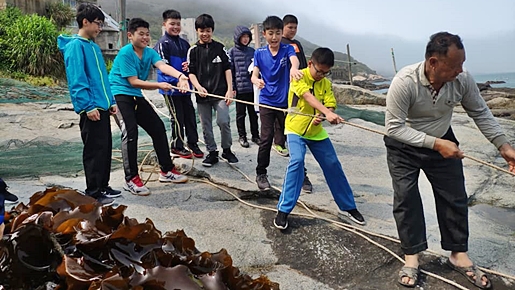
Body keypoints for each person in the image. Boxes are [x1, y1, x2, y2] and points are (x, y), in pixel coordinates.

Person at [385, 32, 515, 289]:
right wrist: (436, 144)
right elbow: (393, 128)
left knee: (454, 196)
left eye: (462, 64)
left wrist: (504, 146)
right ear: (433, 62)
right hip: (404, 145)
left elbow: (480, 111)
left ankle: (458, 254)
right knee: (406, 196)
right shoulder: (404, 82)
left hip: (443, 137)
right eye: (455, 65)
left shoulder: (462, 80)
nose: (461, 70)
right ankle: (412, 256)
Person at [274, 48, 366, 230]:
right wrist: (324, 112)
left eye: (326, 72)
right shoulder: (298, 77)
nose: (322, 75)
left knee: (332, 164)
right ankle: (283, 210)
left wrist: (324, 114)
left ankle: (348, 206)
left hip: (317, 133)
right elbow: (307, 97)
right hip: (295, 130)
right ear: (310, 64)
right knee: (297, 162)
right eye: (319, 71)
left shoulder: (325, 83)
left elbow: (330, 103)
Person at [109, 18, 189, 196]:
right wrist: (160, 86)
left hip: (136, 97)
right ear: (130, 35)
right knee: (130, 133)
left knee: (158, 128)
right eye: (141, 34)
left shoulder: (149, 52)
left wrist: (181, 76)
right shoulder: (125, 53)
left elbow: (163, 66)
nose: (145, 38)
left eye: (147, 34)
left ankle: (166, 171)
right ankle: (131, 179)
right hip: (120, 95)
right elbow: (134, 82)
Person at [57, 3, 120, 206]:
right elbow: (77, 79)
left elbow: (102, 78)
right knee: (94, 151)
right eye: (97, 24)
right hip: (91, 109)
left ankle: (103, 185)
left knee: (105, 148)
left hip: (102, 107)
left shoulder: (93, 46)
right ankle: (93, 191)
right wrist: (87, 106)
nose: (100, 28)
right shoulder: (76, 46)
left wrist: (110, 101)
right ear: (85, 22)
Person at [251, 16, 303, 190]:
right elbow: (254, 74)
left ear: (282, 33)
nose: (274, 37)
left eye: (278, 33)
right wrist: (255, 81)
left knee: (292, 138)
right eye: (271, 33)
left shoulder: (287, 49)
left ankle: (302, 175)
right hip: (266, 101)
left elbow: (294, 61)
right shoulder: (259, 53)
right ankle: (261, 173)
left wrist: (294, 69)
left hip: (284, 102)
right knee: (266, 138)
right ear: (264, 34)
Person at [187, 14, 238, 167]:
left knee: (223, 121)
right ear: (197, 31)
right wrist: (198, 87)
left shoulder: (220, 48)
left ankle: (227, 150)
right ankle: (212, 152)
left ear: (212, 31)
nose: (205, 34)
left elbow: (227, 69)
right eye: (202, 30)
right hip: (202, 95)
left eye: (208, 30)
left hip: (220, 93)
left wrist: (230, 90)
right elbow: (191, 72)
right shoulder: (193, 51)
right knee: (206, 125)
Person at [154, 9, 204, 159]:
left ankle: (193, 143)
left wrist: (188, 69)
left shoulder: (184, 43)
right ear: (164, 24)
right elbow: (163, 67)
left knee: (190, 116)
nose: (175, 27)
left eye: (178, 24)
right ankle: (177, 145)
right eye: (172, 24)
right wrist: (177, 80)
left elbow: (190, 64)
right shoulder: (162, 44)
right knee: (177, 117)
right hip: (171, 88)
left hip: (186, 88)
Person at [280, 14, 313, 194]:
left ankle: (302, 175)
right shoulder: (277, 44)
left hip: (296, 94)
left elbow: (302, 68)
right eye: (289, 27)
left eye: (295, 27)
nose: (292, 30)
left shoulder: (297, 45)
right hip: (278, 96)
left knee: (297, 135)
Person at [229, 25, 259, 148]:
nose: (245, 39)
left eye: (247, 37)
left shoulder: (253, 52)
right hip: (240, 90)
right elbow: (230, 71)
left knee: (253, 114)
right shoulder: (231, 52)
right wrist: (232, 87)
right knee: (240, 115)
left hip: (252, 88)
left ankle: (255, 135)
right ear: (238, 37)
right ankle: (242, 136)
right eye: (243, 37)